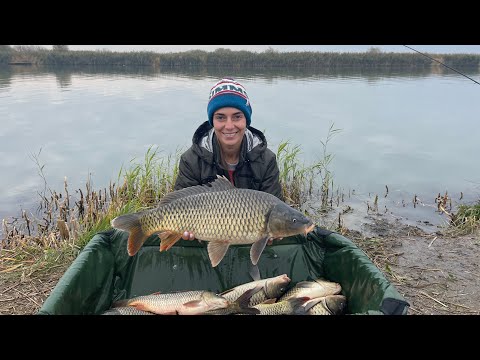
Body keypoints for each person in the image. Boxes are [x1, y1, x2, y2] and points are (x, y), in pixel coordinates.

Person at [174, 77, 283, 241]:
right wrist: (183, 233)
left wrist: (275, 234)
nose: (229, 126)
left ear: (246, 119)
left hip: (249, 238)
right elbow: (177, 203)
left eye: (237, 117)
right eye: (221, 117)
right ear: (212, 121)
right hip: (204, 236)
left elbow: (276, 208)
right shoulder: (191, 160)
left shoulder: (266, 160)